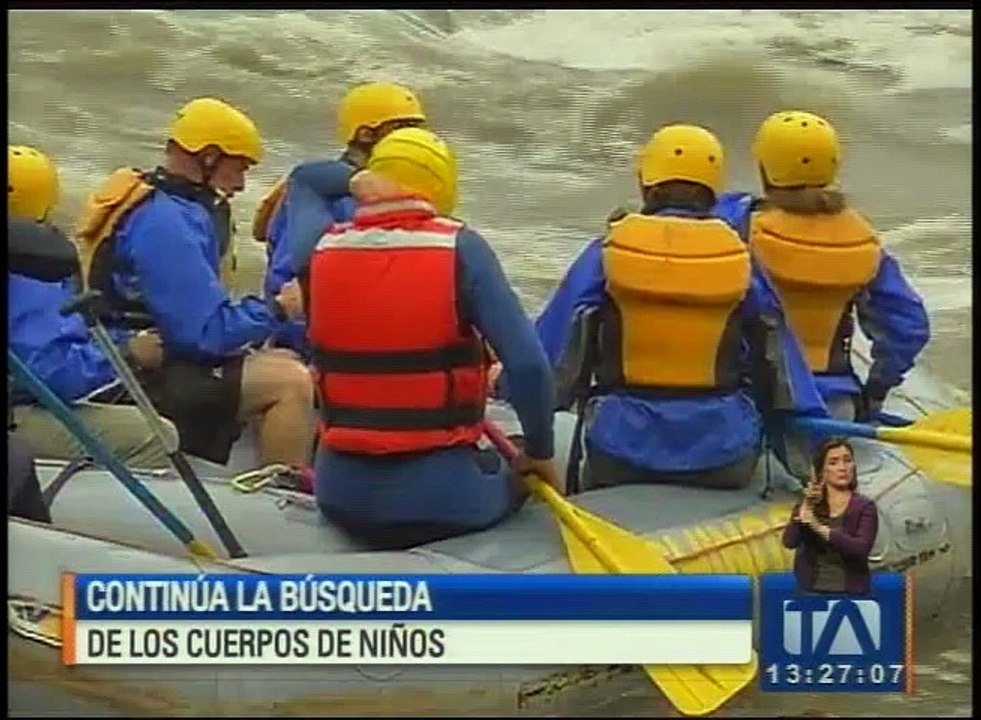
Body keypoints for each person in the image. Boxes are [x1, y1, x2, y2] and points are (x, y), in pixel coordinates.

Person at [533, 124, 828, 493]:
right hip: (725, 459)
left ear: (646, 185)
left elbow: (548, 355)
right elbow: (782, 372)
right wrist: (814, 462)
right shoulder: (738, 259)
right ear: (712, 190)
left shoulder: (607, 252)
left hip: (619, 455)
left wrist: (516, 411)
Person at [306, 127, 558, 550]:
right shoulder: (461, 248)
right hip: (443, 499)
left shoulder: (322, 250)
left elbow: (304, 183)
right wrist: (539, 452)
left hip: (338, 492)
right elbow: (530, 367)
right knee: (515, 472)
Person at [73, 98, 313, 468]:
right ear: (209, 157)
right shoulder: (166, 224)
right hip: (133, 376)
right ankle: (283, 498)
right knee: (290, 382)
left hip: (142, 356)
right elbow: (202, 335)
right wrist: (279, 308)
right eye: (238, 168)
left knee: (279, 358)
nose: (242, 183)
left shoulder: (163, 202)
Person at [714, 110, 930, 424]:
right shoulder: (863, 242)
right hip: (835, 404)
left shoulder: (737, 222)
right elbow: (908, 328)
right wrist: (876, 390)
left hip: (754, 401)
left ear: (765, 169)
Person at [8, 145, 177, 469]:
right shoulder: (32, 266)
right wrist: (128, 354)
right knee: (156, 435)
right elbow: (53, 376)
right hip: (18, 415)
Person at [251, 82, 428, 354]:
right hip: (312, 353)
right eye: (404, 131)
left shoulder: (400, 191)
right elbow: (289, 288)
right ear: (366, 135)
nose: (416, 142)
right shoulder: (320, 197)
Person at [782, 437, 878, 594]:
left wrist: (819, 528)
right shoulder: (810, 504)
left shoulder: (864, 507)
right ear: (821, 472)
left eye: (847, 461)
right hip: (810, 590)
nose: (843, 468)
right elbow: (789, 541)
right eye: (833, 463)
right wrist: (807, 504)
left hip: (849, 592)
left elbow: (860, 549)